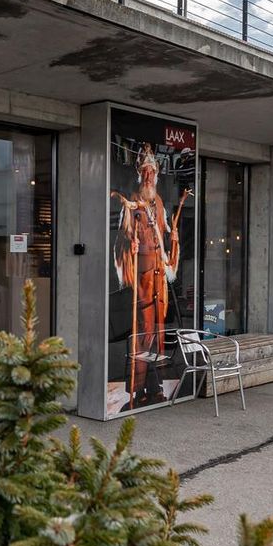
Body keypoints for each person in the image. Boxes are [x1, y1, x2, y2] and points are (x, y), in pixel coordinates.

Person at [110, 144, 188, 406]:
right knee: (143, 331)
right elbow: (123, 238)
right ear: (140, 174)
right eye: (145, 172)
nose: (148, 177)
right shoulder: (133, 202)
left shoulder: (159, 202)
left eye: (152, 173)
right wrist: (130, 246)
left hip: (158, 277)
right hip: (143, 276)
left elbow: (165, 235)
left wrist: (173, 240)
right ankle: (138, 389)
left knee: (157, 331)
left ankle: (155, 385)